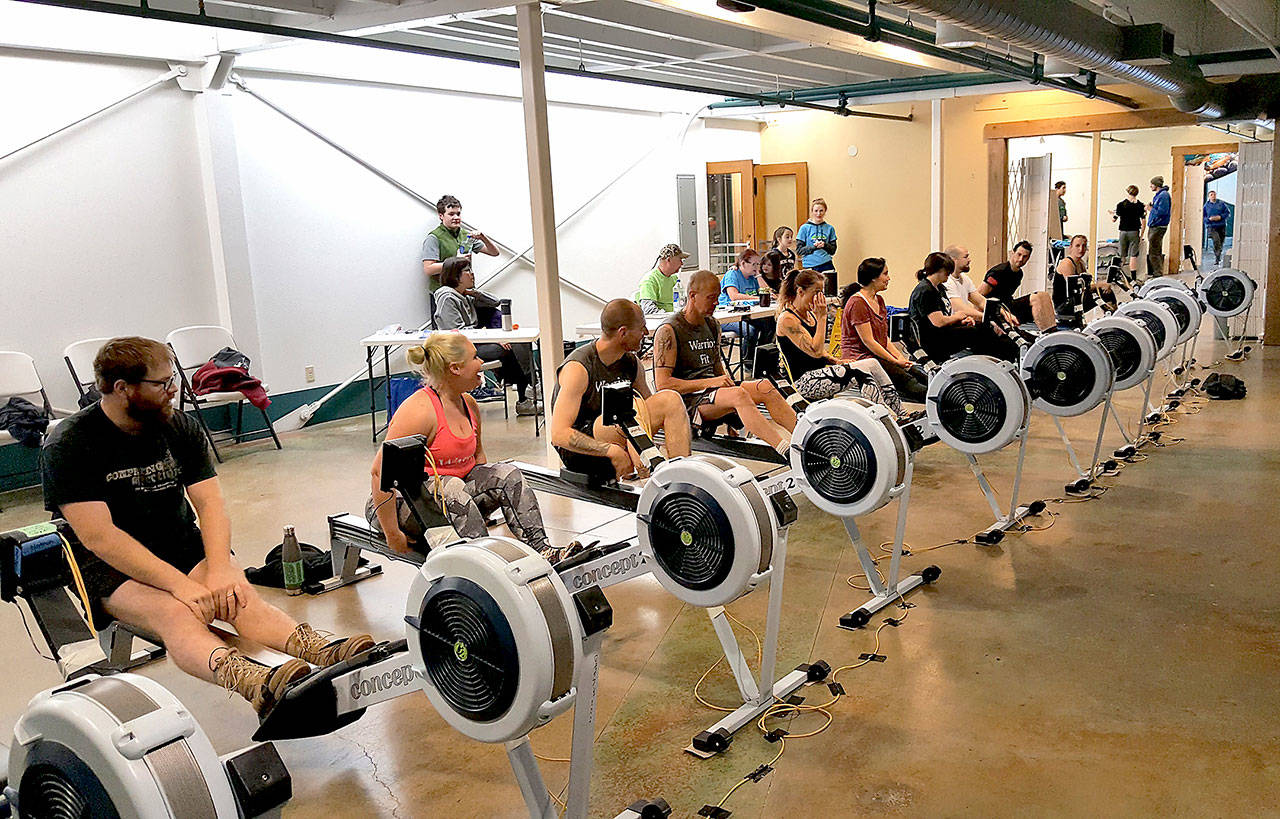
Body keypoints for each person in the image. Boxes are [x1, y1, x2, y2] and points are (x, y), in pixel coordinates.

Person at [41, 337, 374, 714]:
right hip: (105, 564)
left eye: (173, 379)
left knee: (236, 595)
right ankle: (255, 682)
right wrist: (181, 585)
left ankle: (319, 650)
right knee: (175, 613)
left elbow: (210, 504)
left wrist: (220, 570)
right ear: (122, 388)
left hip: (178, 541)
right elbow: (100, 538)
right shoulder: (70, 443)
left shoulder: (177, 426)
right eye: (162, 383)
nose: (174, 390)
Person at [367, 332, 574, 562]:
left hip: (452, 498)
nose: (481, 362)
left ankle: (543, 552)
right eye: (475, 357)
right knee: (452, 487)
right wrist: (392, 533)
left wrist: (476, 508)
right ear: (455, 368)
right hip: (400, 505)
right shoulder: (419, 411)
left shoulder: (468, 403)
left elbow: (478, 460)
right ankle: (486, 565)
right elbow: (379, 473)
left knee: (508, 474)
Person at [654, 270, 797, 455]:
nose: (716, 302)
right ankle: (784, 451)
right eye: (710, 298)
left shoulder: (712, 324)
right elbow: (663, 384)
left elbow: (719, 372)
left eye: (717, 297)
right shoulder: (669, 330)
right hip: (688, 401)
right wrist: (713, 384)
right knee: (738, 394)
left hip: (713, 393)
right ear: (692, 296)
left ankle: (806, 436)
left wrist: (733, 413)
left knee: (765, 386)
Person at [551, 300, 692, 481]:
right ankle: (649, 470)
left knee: (669, 400)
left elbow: (647, 412)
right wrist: (611, 450)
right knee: (619, 414)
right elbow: (558, 434)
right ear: (623, 332)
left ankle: (682, 477)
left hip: (622, 430)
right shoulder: (578, 368)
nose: (646, 333)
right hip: (582, 449)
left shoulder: (632, 363)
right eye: (641, 328)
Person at [777, 269, 913, 418]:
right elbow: (816, 351)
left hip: (818, 373)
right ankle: (885, 419)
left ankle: (902, 414)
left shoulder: (809, 314)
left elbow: (821, 352)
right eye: (816, 292)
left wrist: (836, 361)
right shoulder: (788, 320)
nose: (820, 298)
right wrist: (822, 318)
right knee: (861, 372)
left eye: (822, 292)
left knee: (872, 363)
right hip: (804, 383)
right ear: (800, 292)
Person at [434, 257, 537, 416]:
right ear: (455, 276)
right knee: (508, 349)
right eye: (467, 271)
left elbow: (496, 302)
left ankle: (529, 389)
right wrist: (493, 338)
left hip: (475, 343)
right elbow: (457, 333)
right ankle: (528, 393)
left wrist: (474, 292)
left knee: (518, 343)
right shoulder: (447, 297)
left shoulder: (465, 296)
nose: (472, 274)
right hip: (460, 349)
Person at [840, 257, 929, 403]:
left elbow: (883, 338)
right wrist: (894, 361)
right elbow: (869, 341)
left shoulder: (879, 300)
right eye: (885, 274)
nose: (889, 278)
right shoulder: (857, 303)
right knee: (910, 382)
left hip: (877, 355)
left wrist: (900, 358)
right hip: (862, 359)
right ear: (873, 278)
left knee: (919, 373)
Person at [909, 252, 1018, 364]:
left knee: (982, 327)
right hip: (931, 341)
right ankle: (997, 362)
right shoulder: (925, 291)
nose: (949, 274)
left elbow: (945, 317)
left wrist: (961, 321)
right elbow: (938, 322)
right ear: (940, 270)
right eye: (948, 271)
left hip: (941, 333)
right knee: (978, 332)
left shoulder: (939, 288)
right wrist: (958, 317)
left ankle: (1009, 357)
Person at [422, 194, 499, 293]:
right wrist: (456, 261)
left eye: (458, 214)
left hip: (465, 291)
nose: (456, 217)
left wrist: (483, 237)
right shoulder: (434, 237)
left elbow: (494, 252)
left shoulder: (466, 235)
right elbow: (429, 269)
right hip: (444, 293)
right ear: (441, 216)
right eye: (451, 214)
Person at [978, 241, 1056, 329]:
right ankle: (1046, 331)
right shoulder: (998, 272)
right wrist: (978, 318)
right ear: (1012, 253)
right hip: (997, 310)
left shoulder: (1019, 274)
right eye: (1019, 254)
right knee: (1035, 298)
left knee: (1043, 295)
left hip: (1008, 305)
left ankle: (1052, 329)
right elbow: (979, 295)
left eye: (1025, 256)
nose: (1021, 259)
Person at [1052, 234, 1115, 327]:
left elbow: (1086, 286)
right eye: (1077, 246)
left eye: (1084, 246)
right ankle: (1113, 320)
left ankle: (1113, 317)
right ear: (1071, 247)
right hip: (1065, 305)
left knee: (1106, 291)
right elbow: (1078, 289)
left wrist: (1102, 286)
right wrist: (1100, 285)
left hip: (1076, 298)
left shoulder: (1081, 263)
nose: (1081, 249)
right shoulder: (1067, 264)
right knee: (1103, 291)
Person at [796, 199, 838, 296]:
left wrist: (824, 245)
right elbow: (799, 250)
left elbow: (833, 250)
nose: (818, 214)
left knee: (829, 293)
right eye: (816, 211)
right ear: (812, 211)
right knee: (811, 293)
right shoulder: (804, 228)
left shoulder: (830, 228)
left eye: (821, 211)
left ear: (825, 211)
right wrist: (813, 247)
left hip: (826, 264)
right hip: (810, 266)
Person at [636, 244, 689, 315]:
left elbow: (682, 302)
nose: (682, 264)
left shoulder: (674, 278)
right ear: (669, 260)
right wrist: (669, 317)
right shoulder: (649, 280)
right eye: (680, 260)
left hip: (674, 317)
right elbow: (649, 310)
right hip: (661, 320)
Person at [1110, 185, 1147, 279]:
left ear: (1127, 192)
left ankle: (1118, 275)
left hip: (1123, 232)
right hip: (1134, 232)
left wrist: (1112, 214)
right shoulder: (1140, 205)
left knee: (1122, 255)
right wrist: (1141, 235)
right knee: (1133, 256)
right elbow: (1143, 221)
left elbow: (1114, 219)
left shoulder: (1121, 205)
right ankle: (1133, 278)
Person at [1146, 176, 1172, 277]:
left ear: (1156, 185)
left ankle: (1158, 274)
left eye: (1152, 184)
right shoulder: (1160, 195)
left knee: (1154, 252)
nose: (1150, 186)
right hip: (1156, 226)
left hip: (1158, 226)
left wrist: (1151, 209)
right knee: (1155, 251)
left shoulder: (1163, 195)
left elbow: (1162, 212)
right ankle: (1157, 273)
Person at [1203, 190, 1230, 267]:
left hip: (1221, 226)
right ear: (1209, 196)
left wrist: (1220, 217)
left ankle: (1218, 255)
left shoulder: (1221, 204)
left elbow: (1227, 213)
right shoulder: (1206, 206)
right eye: (1211, 195)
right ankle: (1217, 258)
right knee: (1216, 240)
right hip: (1212, 226)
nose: (1213, 196)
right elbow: (1203, 216)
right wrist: (1209, 219)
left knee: (1221, 242)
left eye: (1214, 194)